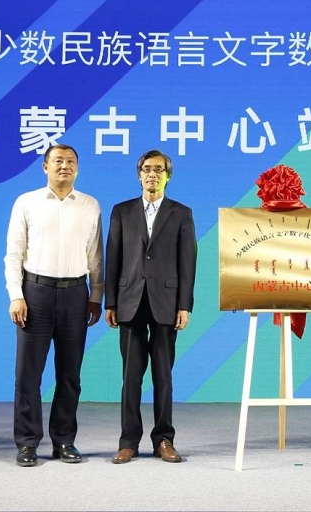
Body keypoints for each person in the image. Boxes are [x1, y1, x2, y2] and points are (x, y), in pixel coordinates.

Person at [4, 143, 103, 467]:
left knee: (70, 375)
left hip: (76, 294)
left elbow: (96, 257)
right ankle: (27, 443)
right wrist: (16, 295)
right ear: (45, 167)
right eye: (58, 161)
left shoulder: (89, 205)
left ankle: (64, 441)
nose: (65, 166)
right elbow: (13, 254)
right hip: (35, 293)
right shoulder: (27, 202)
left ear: (78, 168)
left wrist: (95, 296)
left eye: (71, 161)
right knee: (28, 375)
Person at [105, 149, 197, 464]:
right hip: (129, 301)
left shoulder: (181, 213)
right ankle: (128, 441)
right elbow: (113, 258)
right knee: (131, 377)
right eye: (146, 169)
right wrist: (110, 302)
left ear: (167, 176)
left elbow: (188, 263)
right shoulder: (121, 211)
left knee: (163, 376)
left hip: (166, 303)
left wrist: (184, 305)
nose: (152, 174)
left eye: (159, 169)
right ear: (139, 175)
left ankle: (164, 440)